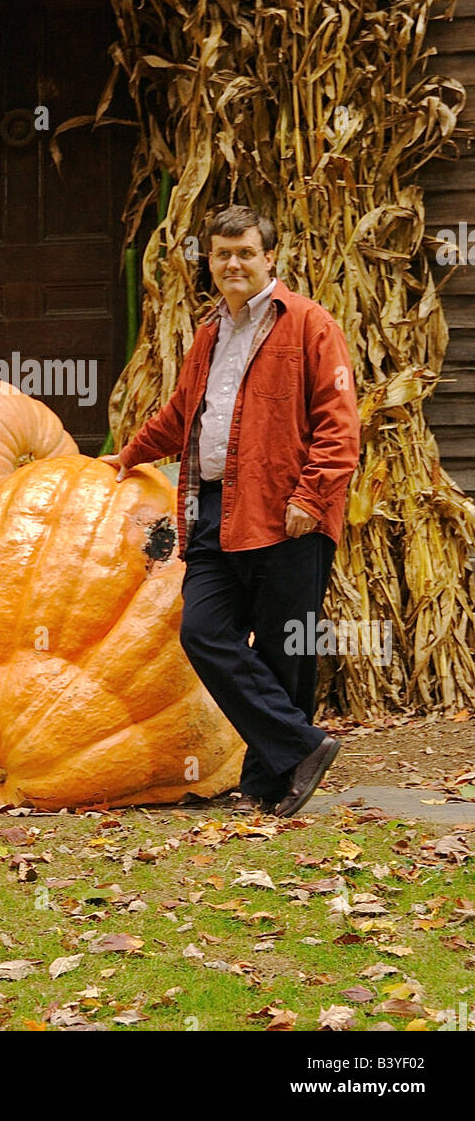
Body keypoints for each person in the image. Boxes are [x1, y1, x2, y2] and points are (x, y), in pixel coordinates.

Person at [101, 205, 361, 816]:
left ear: (270, 257)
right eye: (223, 254)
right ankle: (303, 746)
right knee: (204, 632)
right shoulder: (211, 332)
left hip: (286, 510)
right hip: (214, 508)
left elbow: (339, 425)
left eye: (246, 252)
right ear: (211, 262)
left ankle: (269, 784)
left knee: (282, 650)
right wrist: (131, 454)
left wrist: (310, 496)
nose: (234, 263)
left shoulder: (309, 325)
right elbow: (182, 411)